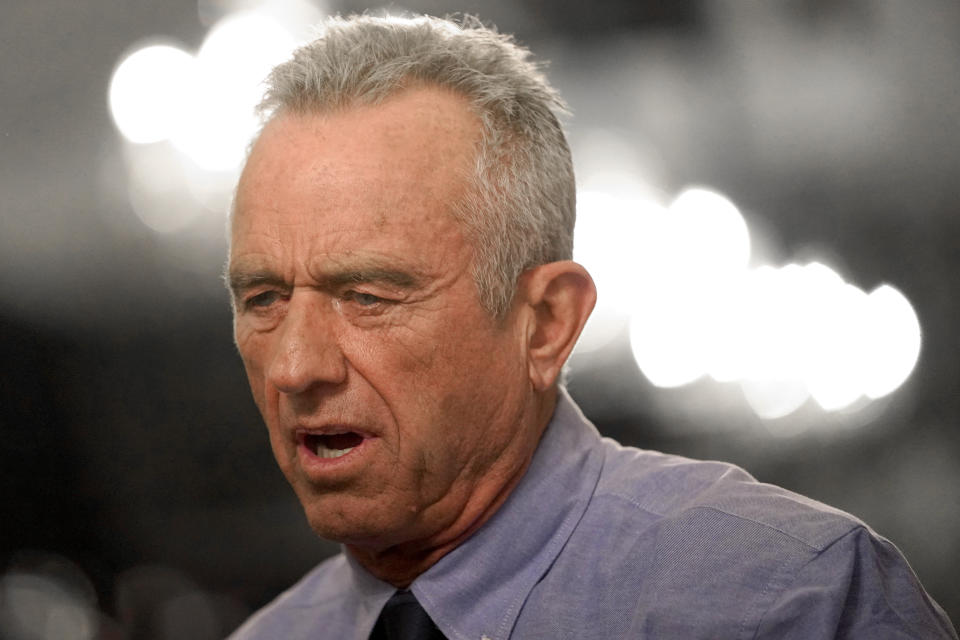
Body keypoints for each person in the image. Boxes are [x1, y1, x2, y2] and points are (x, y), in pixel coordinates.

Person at [224, 13, 957, 640]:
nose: (295, 366)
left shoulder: (791, 603)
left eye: (367, 295)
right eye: (263, 299)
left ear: (546, 324)